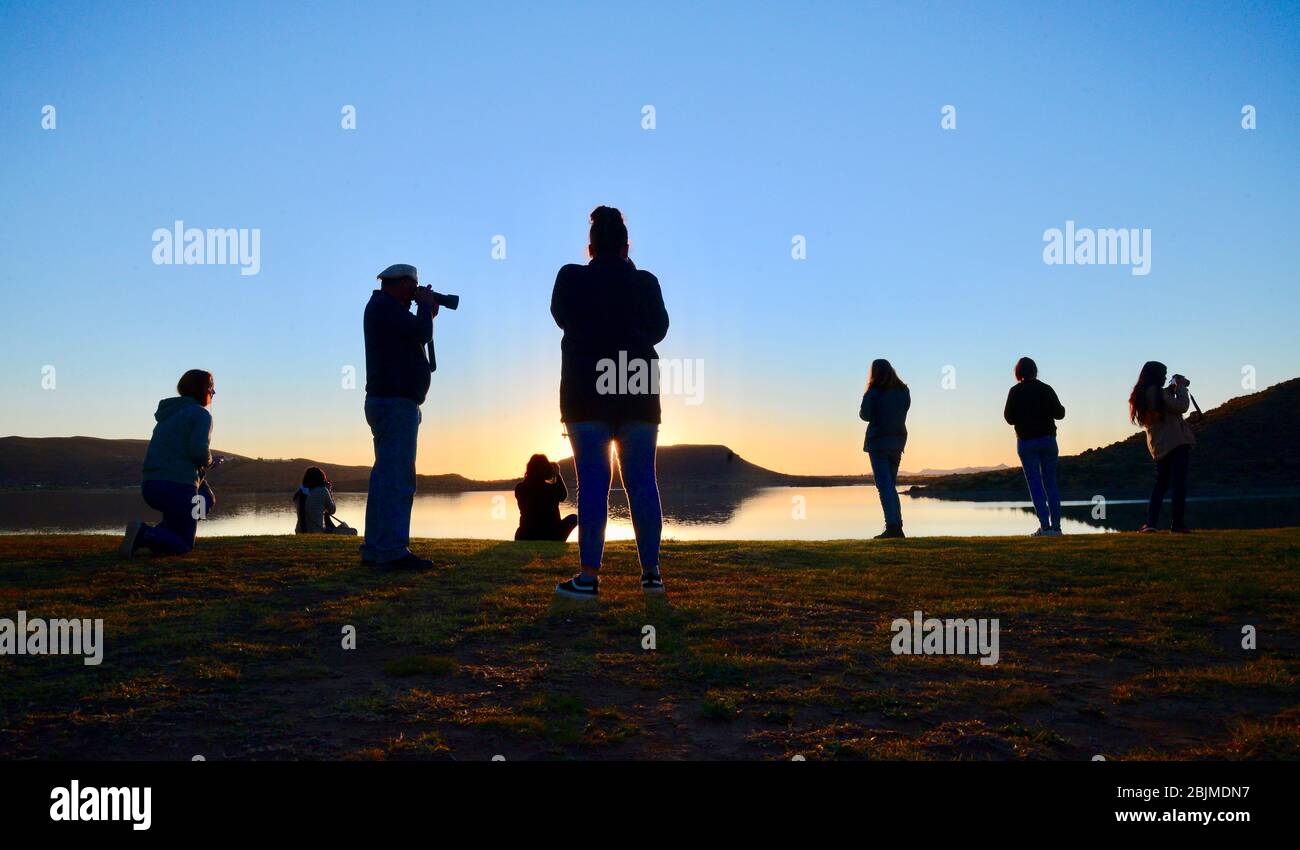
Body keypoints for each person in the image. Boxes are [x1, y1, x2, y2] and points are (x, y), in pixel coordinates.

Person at [550, 206, 669, 598]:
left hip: (585, 393)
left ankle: (588, 577)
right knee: (642, 481)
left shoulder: (571, 278)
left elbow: (561, 316)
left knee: (594, 484)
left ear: (590, 247)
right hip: (636, 387)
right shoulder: (645, 282)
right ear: (626, 246)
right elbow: (659, 330)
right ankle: (651, 574)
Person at [361, 263, 441, 569]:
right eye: (412, 287)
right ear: (399, 283)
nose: (414, 293)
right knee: (398, 478)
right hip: (396, 404)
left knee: (385, 477)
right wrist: (424, 309)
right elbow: (421, 332)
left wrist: (425, 312)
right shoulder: (384, 307)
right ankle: (392, 550)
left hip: (391, 402)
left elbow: (417, 334)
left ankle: (375, 548)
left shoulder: (385, 309)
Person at [119, 369, 218, 557]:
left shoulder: (168, 415)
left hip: (152, 485)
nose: (213, 393)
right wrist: (210, 460)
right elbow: (198, 451)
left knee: (206, 496)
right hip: (177, 487)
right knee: (183, 545)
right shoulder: (201, 415)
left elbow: (177, 451)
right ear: (203, 389)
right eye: (211, 387)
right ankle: (145, 533)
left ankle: (167, 530)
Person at [1129, 361, 1195, 533]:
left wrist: (1171, 389)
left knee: (1161, 484)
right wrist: (1180, 387)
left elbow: (1162, 404)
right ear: (1156, 375)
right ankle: (1177, 524)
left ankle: (1151, 523)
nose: (1165, 377)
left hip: (1159, 445)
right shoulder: (1156, 392)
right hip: (1176, 442)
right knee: (1178, 484)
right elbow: (1182, 406)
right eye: (1164, 374)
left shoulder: (1143, 394)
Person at [1003, 356, 1066, 536]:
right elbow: (1060, 413)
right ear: (1035, 370)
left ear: (1018, 373)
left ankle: (1045, 527)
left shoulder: (1015, 392)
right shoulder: (1046, 389)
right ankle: (1056, 527)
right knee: (1051, 483)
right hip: (1048, 440)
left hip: (1026, 441)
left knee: (1035, 484)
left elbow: (1009, 418)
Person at [859, 359, 911, 539]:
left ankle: (893, 527)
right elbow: (904, 410)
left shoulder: (874, 392)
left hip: (879, 442)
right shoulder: (904, 391)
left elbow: (864, 415)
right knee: (890, 486)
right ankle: (897, 525)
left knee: (884, 486)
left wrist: (868, 393)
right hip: (897, 443)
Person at [514, 454, 578, 542]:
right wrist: (557, 475)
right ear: (546, 470)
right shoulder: (550, 488)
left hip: (525, 534)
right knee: (574, 518)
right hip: (551, 535)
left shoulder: (520, 488)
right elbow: (563, 496)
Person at [294, 466, 357, 535]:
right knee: (353, 531)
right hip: (317, 532)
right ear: (321, 479)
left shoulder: (300, 492)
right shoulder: (322, 490)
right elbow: (332, 510)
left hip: (299, 532)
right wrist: (329, 491)